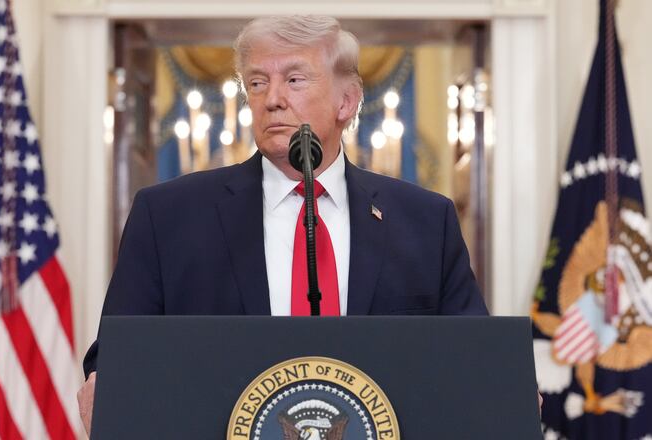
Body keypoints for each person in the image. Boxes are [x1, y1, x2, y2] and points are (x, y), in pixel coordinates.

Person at [77, 15, 488, 435]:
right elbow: (116, 359)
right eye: (257, 83)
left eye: (294, 80)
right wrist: (105, 385)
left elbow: (474, 361)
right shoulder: (167, 216)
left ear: (346, 101)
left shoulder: (424, 221)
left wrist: (501, 390)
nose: (271, 99)